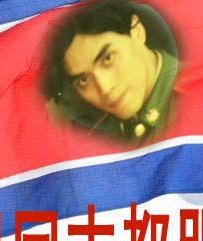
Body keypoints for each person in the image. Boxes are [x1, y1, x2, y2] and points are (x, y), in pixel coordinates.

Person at [41, 0, 179, 143]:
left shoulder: (191, 103)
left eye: (108, 58)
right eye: (83, 80)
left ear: (137, 32)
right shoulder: (98, 136)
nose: (105, 88)